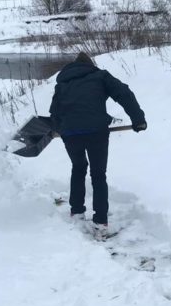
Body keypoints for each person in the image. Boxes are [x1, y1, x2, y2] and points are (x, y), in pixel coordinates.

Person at [49, 52, 147, 228]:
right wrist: (138, 119)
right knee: (98, 174)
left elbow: (54, 112)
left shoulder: (62, 85)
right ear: (90, 65)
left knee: (78, 169)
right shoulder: (100, 76)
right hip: (96, 132)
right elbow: (123, 93)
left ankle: (77, 211)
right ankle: (100, 221)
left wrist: (60, 129)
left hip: (70, 134)